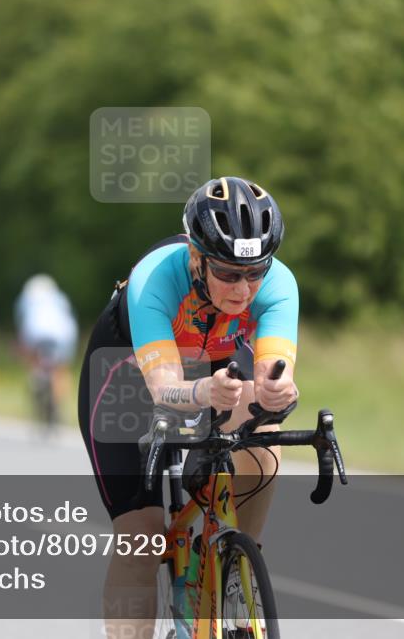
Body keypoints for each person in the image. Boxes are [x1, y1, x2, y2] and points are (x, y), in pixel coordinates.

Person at [77, 177, 299, 637]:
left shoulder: (278, 284)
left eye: (255, 272)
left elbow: (273, 370)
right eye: (229, 274)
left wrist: (278, 391)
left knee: (263, 430)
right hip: (127, 374)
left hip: (216, 360)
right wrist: (203, 394)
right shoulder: (155, 280)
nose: (244, 289)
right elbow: (164, 388)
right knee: (142, 534)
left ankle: (239, 566)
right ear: (196, 258)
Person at [14, 274, 79, 430]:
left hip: (35, 332)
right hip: (64, 333)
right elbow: (69, 317)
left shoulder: (25, 298)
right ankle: (58, 402)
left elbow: (21, 323)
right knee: (61, 369)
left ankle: (36, 379)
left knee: (33, 359)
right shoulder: (59, 297)